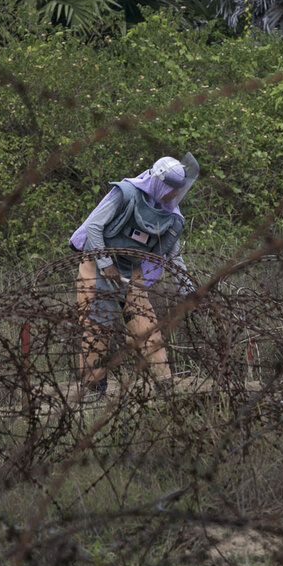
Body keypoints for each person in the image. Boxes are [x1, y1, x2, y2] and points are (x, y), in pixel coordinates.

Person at [69, 153, 198, 399]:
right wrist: (106, 264)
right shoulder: (126, 193)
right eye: (171, 188)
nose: (174, 194)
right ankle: (94, 388)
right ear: (160, 183)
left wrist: (188, 288)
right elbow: (95, 226)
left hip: (131, 270)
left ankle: (165, 385)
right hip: (97, 263)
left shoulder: (171, 215)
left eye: (177, 190)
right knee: (97, 325)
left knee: (146, 325)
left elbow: (173, 254)